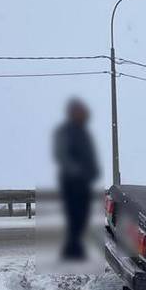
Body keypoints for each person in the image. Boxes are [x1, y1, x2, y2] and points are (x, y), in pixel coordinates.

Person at [54, 98, 99, 260]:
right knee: (75, 215)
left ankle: (74, 248)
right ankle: (72, 251)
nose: (84, 115)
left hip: (84, 181)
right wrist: (78, 173)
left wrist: (93, 171)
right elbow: (62, 155)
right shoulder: (65, 131)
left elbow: (89, 155)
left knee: (82, 215)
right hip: (72, 181)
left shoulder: (83, 132)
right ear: (72, 113)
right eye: (80, 112)